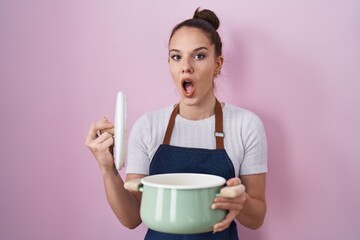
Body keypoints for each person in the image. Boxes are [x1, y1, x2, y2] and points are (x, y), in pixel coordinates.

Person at [85, 7, 267, 240]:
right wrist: (106, 167)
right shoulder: (148, 127)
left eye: (199, 56)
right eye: (176, 56)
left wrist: (241, 202)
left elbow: (257, 218)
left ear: (218, 64)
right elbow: (131, 218)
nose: (186, 66)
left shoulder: (246, 126)